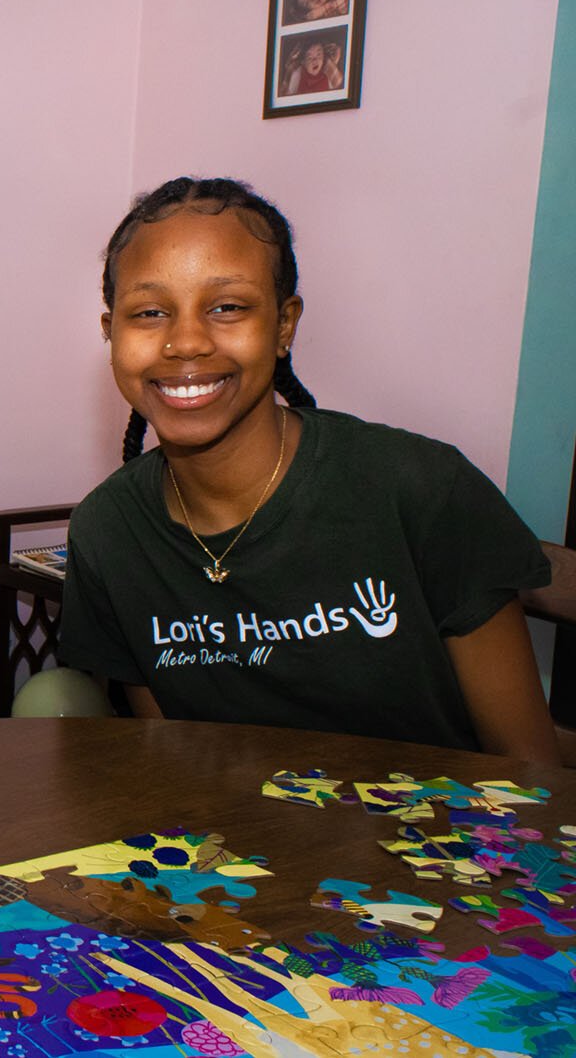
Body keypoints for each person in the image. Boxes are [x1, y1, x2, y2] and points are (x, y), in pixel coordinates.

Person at [58, 177, 558, 765]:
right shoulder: (108, 534)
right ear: (111, 331)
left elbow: (529, 776)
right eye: (148, 312)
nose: (186, 341)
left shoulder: (419, 490)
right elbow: (178, 763)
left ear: (284, 325)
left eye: (227, 307)